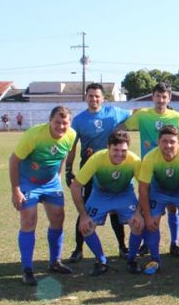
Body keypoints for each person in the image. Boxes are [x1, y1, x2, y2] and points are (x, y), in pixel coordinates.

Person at [123, 82, 179, 257]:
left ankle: (174, 243)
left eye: (164, 96)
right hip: (150, 169)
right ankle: (148, 244)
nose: (161, 100)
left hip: (172, 168)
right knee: (148, 208)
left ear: (169, 98)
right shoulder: (142, 115)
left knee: (172, 208)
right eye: (157, 96)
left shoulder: (176, 117)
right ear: (152, 97)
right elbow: (122, 128)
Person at [9, 106, 77, 285]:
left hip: (51, 183)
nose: (61, 127)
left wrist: (59, 178)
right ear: (50, 121)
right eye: (57, 122)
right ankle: (27, 269)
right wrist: (16, 190)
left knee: (58, 218)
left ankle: (55, 261)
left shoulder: (71, 135)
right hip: (28, 182)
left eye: (65, 123)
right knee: (29, 221)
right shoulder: (34, 135)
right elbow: (14, 160)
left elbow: (63, 156)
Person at [65, 83, 131, 263]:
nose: (94, 99)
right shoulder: (78, 120)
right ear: (86, 98)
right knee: (85, 209)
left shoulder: (114, 112)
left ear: (103, 98)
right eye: (90, 96)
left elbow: (135, 113)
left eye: (97, 96)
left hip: (112, 169)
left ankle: (122, 247)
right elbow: (71, 147)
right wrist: (69, 168)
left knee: (115, 210)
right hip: (89, 169)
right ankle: (78, 249)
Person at [69, 130, 144, 276]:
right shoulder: (97, 158)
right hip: (101, 194)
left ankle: (131, 259)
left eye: (123, 151)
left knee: (138, 223)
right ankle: (101, 261)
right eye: (115, 150)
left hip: (124, 194)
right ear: (108, 147)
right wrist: (83, 215)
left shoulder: (134, 160)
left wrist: (138, 212)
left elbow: (144, 187)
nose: (119, 154)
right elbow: (75, 186)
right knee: (85, 227)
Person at [138, 125, 179, 274]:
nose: (168, 145)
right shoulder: (150, 157)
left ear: (178, 142)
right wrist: (147, 216)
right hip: (159, 190)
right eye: (164, 141)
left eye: (172, 142)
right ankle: (155, 260)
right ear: (158, 142)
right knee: (152, 222)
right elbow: (143, 188)